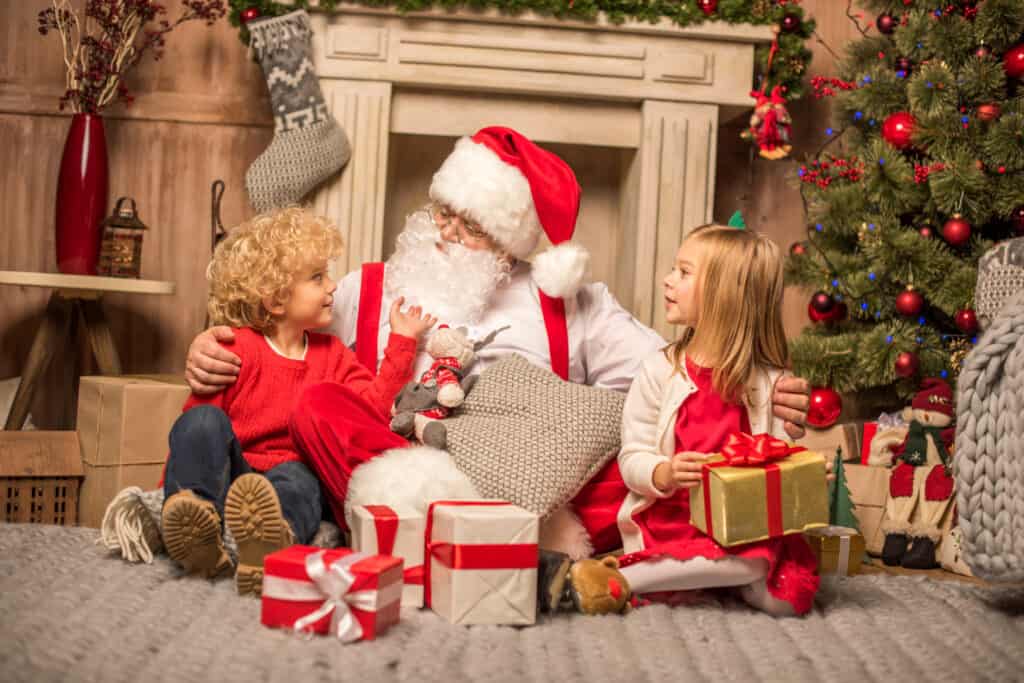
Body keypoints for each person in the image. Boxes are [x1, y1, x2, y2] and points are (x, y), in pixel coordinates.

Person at [183, 127, 811, 558]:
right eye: (443, 214)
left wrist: (758, 389)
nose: (448, 235)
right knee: (320, 409)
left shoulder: (569, 300)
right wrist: (211, 348)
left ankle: (458, 540)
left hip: (527, 478)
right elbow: (275, 339)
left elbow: (675, 380)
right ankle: (482, 541)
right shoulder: (364, 286)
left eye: (473, 227)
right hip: (400, 463)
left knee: (638, 466)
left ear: (514, 241)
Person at [161, 207, 435, 594]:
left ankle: (273, 540)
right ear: (275, 300)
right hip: (230, 474)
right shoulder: (235, 348)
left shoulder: (333, 354)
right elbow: (194, 431)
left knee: (300, 479)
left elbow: (370, 411)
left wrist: (402, 342)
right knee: (203, 421)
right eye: (317, 277)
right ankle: (194, 516)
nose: (332, 286)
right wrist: (168, 486)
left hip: (284, 485)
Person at [608, 224, 823, 616]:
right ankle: (624, 577)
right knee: (753, 569)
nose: (668, 281)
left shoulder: (768, 383)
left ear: (724, 295)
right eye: (674, 270)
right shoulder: (660, 371)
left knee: (784, 599)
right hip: (675, 518)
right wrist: (664, 473)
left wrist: (803, 476)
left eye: (684, 273)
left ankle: (692, 576)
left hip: (744, 524)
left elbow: (780, 457)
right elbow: (632, 456)